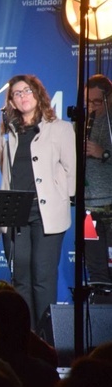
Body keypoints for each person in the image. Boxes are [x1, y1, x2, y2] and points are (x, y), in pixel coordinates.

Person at [0, 74, 76, 333]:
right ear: (11, 101)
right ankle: (25, 337)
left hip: (47, 213)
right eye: (17, 93)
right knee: (20, 279)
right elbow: (6, 175)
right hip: (16, 213)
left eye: (27, 90)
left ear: (39, 94)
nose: (23, 96)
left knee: (43, 278)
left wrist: (58, 195)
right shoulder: (8, 132)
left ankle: (46, 340)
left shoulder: (61, 128)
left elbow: (71, 170)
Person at [83, 74, 112, 286]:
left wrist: (104, 153)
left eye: (96, 101)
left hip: (111, 206)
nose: (91, 107)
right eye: (87, 101)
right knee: (95, 268)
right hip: (88, 210)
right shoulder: (81, 125)